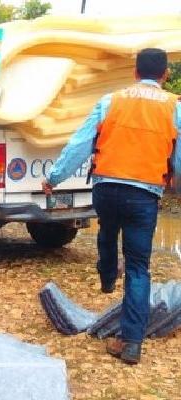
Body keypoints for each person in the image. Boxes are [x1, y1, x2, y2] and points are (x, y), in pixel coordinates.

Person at [42, 48, 181, 365]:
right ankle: (131, 343)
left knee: (107, 231)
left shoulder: (110, 101)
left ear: (135, 71)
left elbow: (80, 143)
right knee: (137, 267)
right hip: (144, 194)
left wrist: (54, 178)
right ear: (165, 74)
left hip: (106, 188)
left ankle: (106, 272)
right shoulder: (175, 108)